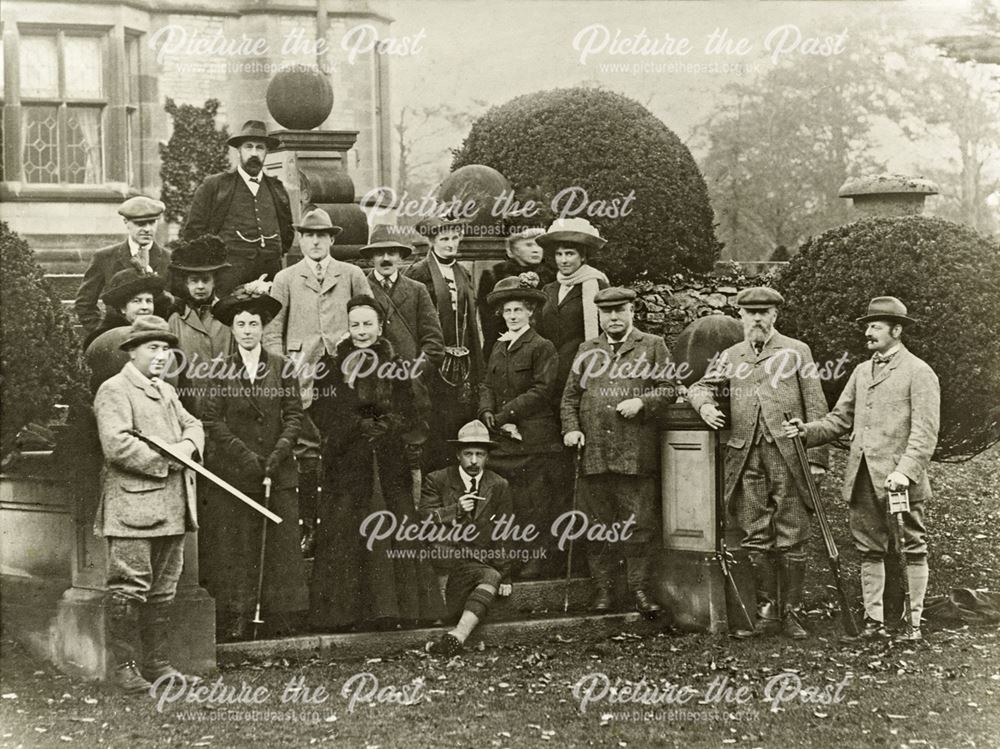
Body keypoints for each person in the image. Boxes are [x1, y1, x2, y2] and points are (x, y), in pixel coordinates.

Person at [783, 297, 939, 642]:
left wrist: (906, 471)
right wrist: (806, 430)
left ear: (896, 331)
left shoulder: (919, 372)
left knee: (912, 547)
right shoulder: (861, 371)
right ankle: (875, 621)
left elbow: (925, 433)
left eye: (875, 327)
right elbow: (839, 420)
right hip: (863, 478)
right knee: (869, 548)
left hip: (900, 481)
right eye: (867, 326)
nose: (868, 333)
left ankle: (912, 624)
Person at [687, 287, 829, 639]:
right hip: (745, 454)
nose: (757, 319)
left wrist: (816, 461)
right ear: (741, 317)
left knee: (792, 530)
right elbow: (699, 386)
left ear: (775, 315)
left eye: (763, 312)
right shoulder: (732, 355)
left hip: (788, 455)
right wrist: (705, 406)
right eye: (750, 313)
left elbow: (816, 406)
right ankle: (767, 611)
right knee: (754, 530)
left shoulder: (796, 351)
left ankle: (792, 612)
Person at [307, 295, 444, 630]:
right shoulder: (332, 364)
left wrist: (390, 425)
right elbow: (322, 412)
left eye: (368, 324)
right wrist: (355, 425)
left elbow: (415, 411)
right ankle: (345, 614)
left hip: (387, 459)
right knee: (346, 529)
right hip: (348, 462)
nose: (361, 331)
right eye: (355, 325)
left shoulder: (396, 364)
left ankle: (399, 610)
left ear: (380, 326)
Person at [92, 315, 204, 692]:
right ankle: (123, 667)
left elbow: (194, 425)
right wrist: (172, 459)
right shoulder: (115, 389)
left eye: (166, 349)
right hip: (133, 509)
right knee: (128, 587)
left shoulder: (167, 391)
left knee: (163, 590)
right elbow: (118, 444)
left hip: (173, 506)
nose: (161, 356)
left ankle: (157, 664)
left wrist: (187, 446)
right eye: (152, 348)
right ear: (132, 352)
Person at [200, 287, 308, 641]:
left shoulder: (282, 367)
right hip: (236, 473)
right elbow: (212, 421)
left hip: (278, 471)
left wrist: (277, 454)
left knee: (280, 544)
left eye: (254, 323)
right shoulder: (219, 370)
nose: (247, 330)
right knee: (238, 546)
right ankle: (237, 615)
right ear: (232, 329)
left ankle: (283, 617)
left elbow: (294, 415)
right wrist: (245, 456)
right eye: (241, 324)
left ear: (264, 328)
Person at [263, 206, 372, 556]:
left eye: (321, 236)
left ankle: (345, 528)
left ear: (331, 239)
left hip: (344, 374)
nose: (315, 242)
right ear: (301, 239)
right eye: (309, 236)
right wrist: (281, 373)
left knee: (342, 447)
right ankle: (308, 528)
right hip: (303, 373)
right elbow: (271, 331)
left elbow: (369, 317)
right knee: (307, 451)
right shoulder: (287, 278)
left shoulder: (352, 273)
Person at [561, 287, 675, 615]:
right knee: (597, 526)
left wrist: (642, 402)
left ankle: (639, 591)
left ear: (631, 312)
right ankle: (604, 592)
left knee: (639, 526)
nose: (613, 317)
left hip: (634, 454)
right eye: (607, 312)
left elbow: (668, 388)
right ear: (599, 314)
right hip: (594, 453)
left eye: (619, 310)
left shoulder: (652, 346)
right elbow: (570, 397)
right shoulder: (587, 349)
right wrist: (572, 429)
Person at [479, 274, 562, 579]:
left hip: (534, 438)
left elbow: (543, 390)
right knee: (506, 501)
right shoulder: (499, 347)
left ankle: (536, 559)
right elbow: (486, 383)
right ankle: (508, 559)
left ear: (530, 312)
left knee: (533, 503)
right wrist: (486, 410)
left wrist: (503, 414)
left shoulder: (541, 346)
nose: (512, 316)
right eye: (507, 311)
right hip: (503, 438)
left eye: (518, 310)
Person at [421, 420, 514, 656]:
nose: (474, 461)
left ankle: (458, 636)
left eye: (480, 454)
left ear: (487, 456)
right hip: (443, 566)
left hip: (475, 565)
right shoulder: (437, 479)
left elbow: (504, 530)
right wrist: (456, 509)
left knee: (492, 575)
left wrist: (505, 575)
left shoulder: (498, 484)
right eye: (468, 454)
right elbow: (423, 519)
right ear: (457, 454)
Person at [405, 214, 483, 469]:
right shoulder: (418, 272)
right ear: (431, 241)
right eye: (444, 239)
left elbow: (471, 319)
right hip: (434, 359)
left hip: (462, 360)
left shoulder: (463, 273)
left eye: (454, 238)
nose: (451, 244)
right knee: (435, 421)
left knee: (460, 418)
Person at [181, 120, 293, 293]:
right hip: (228, 277)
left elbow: (287, 233)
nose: (254, 153)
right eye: (248, 147)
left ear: (267, 152)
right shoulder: (215, 185)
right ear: (239, 150)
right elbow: (194, 232)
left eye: (260, 148)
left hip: (269, 274)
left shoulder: (277, 188)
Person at [75, 196, 172, 337]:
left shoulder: (169, 259)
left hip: (158, 336)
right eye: (140, 224)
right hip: (117, 338)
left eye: (152, 223)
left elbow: (178, 303)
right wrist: (102, 333)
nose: (147, 229)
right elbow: (84, 302)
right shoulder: (105, 257)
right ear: (126, 222)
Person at [535, 218, 610, 393]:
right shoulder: (549, 289)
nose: (564, 260)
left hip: (582, 368)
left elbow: (607, 330)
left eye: (570, 254)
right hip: (549, 371)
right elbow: (539, 329)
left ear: (583, 256)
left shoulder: (597, 285)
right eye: (559, 254)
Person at [362, 224, 445, 375]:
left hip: (410, 380)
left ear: (400, 257)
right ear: (371, 258)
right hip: (371, 377)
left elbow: (434, 340)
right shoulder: (360, 288)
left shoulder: (417, 290)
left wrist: (418, 371)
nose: (386, 259)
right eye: (379, 253)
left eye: (392, 253)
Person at [166, 235, 234, 417]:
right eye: (194, 281)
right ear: (186, 283)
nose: (200, 286)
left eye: (206, 280)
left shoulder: (228, 316)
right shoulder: (176, 318)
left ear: (214, 282)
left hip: (223, 401)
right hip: (187, 402)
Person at [478, 227, 556, 360]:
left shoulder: (550, 276)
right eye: (529, 244)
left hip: (541, 349)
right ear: (513, 249)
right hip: (504, 346)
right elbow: (489, 322)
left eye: (539, 244)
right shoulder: (494, 275)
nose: (536, 249)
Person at [84, 270, 167, 391]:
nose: (145, 307)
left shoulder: (160, 337)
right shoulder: (106, 339)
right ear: (122, 308)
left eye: (149, 301)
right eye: (137, 301)